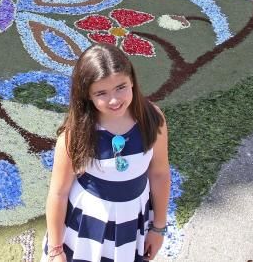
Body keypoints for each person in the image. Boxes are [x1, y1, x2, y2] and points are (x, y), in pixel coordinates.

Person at [42, 44, 170, 262]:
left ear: (132, 81)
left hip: (132, 223)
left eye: (121, 87)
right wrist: (56, 249)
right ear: (87, 95)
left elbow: (159, 174)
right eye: (101, 93)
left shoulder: (152, 119)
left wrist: (158, 228)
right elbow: (58, 193)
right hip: (85, 229)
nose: (114, 100)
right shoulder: (76, 134)